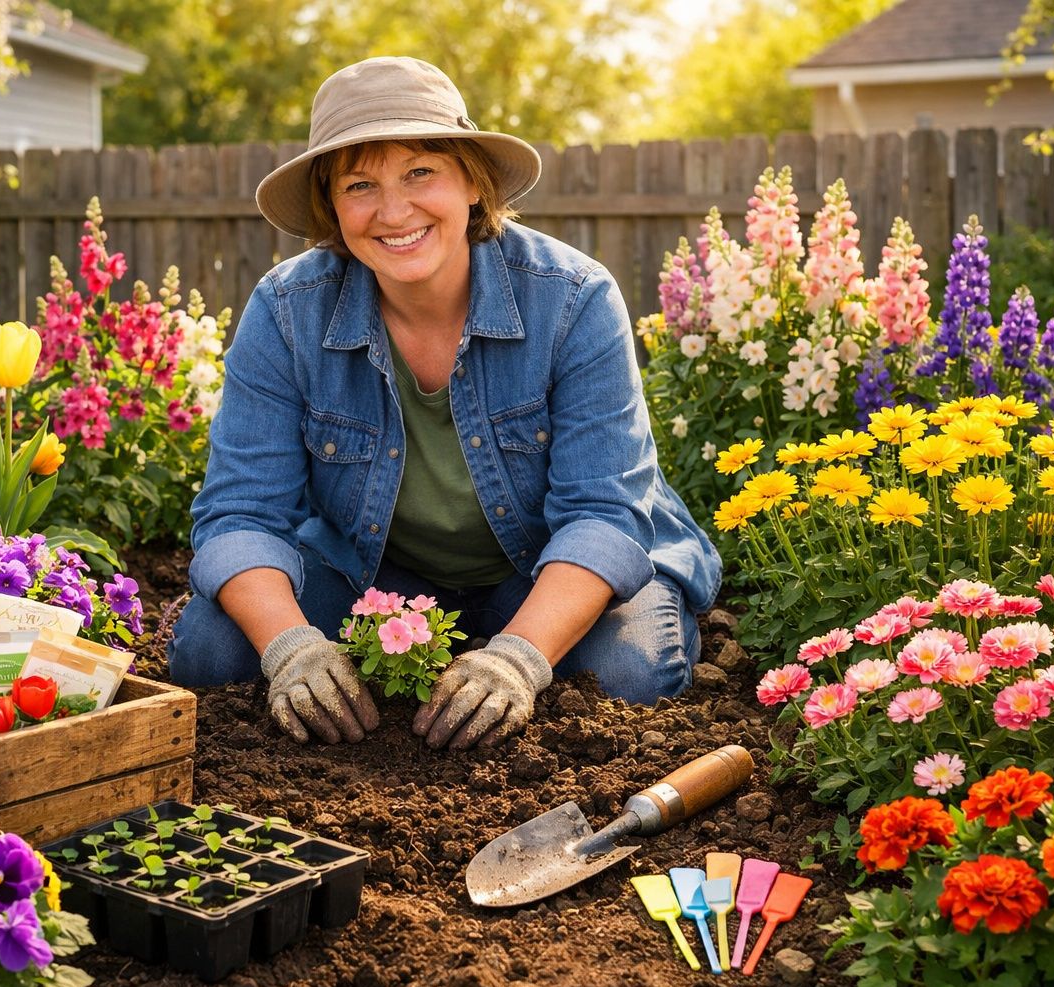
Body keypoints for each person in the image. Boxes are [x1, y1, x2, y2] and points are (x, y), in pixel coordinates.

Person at [167, 56, 720, 751]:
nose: (393, 211)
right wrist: (293, 649)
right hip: (382, 579)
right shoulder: (289, 311)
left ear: (471, 181)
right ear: (331, 207)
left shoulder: (573, 299)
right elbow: (241, 511)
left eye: (420, 172)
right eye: (360, 184)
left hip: (542, 568)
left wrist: (517, 657)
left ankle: (521, 642)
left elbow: (603, 516)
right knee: (212, 654)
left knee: (626, 674)